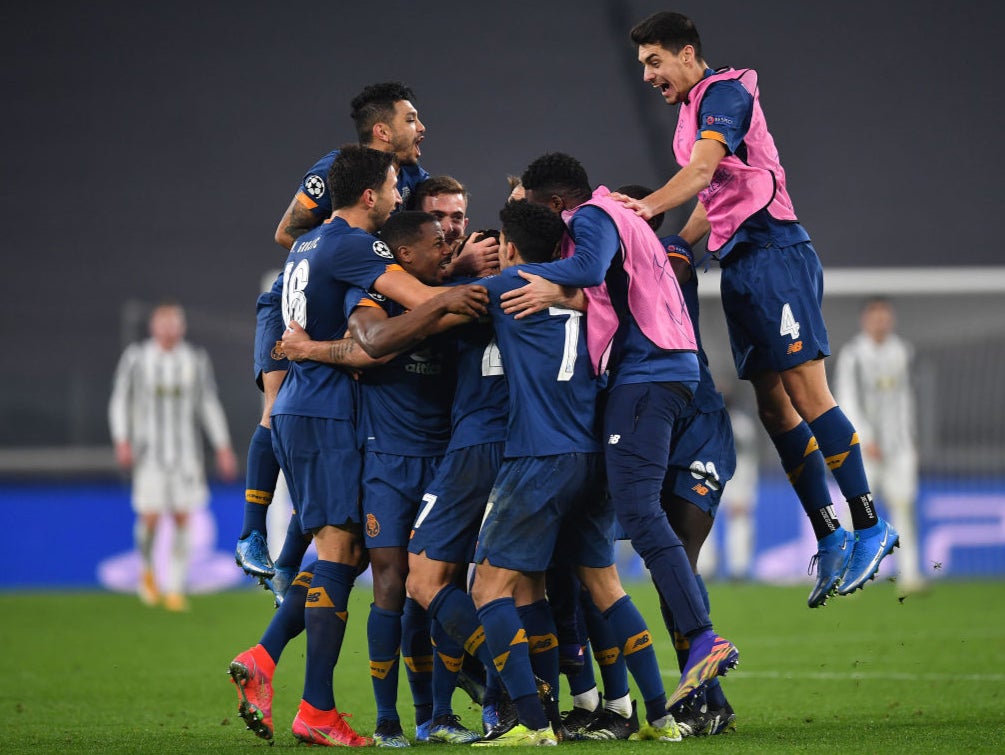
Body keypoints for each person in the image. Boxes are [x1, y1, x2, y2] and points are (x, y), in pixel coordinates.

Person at [614, 11, 899, 606]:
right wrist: (674, 247)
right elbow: (712, 198)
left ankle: (870, 523)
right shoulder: (692, 112)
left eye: (654, 61)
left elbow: (700, 173)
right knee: (774, 409)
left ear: (687, 54)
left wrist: (643, 212)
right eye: (642, 65)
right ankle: (831, 537)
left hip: (776, 254)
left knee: (807, 392)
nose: (647, 75)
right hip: (739, 264)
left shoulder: (725, 92)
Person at [227, 147, 486, 746]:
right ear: (370, 195)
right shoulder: (353, 244)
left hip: (303, 408)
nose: (401, 196)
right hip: (324, 410)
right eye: (395, 187)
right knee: (342, 560)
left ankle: (273, 667)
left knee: (342, 556)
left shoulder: (308, 241)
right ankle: (308, 701)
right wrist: (465, 286)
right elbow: (415, 300)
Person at [500, 153, 739, 708]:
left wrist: (526, 276)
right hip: (668, 371)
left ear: (558, 204)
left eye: (540, 212)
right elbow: (601, 286)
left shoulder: (592, 216)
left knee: (639, 513)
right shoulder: (623, 222)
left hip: (647, 374)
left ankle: (702, 639)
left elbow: (585, 269)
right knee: (636, 516)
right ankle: (698, 672)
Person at [235, 82, 431, 591]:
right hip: (299, 297)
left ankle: (286, 563)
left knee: (325, 428)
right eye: (412, 119)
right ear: (383, 130)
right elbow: (288, 233)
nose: (422, 128)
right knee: (276, 408)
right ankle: (252, 534)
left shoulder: (413, 178)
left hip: (356, 284)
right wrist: (341, 250)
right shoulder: (336, 168)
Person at [108, 301, 238, 612]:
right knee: (150, 518)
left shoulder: (194, 359)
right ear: (154, 327)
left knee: (183, 517)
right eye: (163, 323)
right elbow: (120, 399)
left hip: (185, 456)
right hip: (149, 453)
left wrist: (222, 446)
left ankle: (176, 587)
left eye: (174, 323)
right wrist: (121, 440)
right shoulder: (138, 358)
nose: (168, 330)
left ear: (181, 327)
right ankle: (148, 571)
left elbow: (208, 403)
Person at [835, 298, 924, 592]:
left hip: (898, 446)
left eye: (885, 316)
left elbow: (907, 400)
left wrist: (909, 439)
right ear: (865, 319)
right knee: (856, 511)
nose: (881, 322)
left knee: (903, 505)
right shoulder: (853, 355)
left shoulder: (902, 351)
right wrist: (865, 438)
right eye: (875, 316)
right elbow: (846, 399)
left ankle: (910, 576)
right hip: (863, 448)